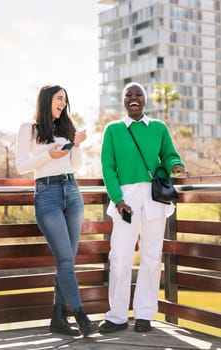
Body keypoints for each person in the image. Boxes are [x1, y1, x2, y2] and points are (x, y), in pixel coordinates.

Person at [99, 82, 188, 334]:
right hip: (125, 200)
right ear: (124, 101)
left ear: (145, 100)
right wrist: (117, 199)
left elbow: (169, 154)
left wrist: (177, 165)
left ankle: (144, 314)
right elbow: (108, 167)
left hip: (154, 199)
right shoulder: (113, 130)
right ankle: (116, 315)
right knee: (120, 257)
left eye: (138, 94)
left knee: (151, 257)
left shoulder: (158, 127)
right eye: (129, 95)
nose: (134, 98)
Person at [15, 84, 97, 337]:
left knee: (67, 261)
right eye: (59, 99)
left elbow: (75, 166)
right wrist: (48, 155)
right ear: (47, 100)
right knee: (64, 260)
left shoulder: (66, 128)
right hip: (47, 194)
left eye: (65, 100)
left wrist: (78, 145)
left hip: (72, 193)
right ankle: (81, 315)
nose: (63, 104)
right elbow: (21, 166)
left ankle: (58, 317)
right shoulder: (28, 128)